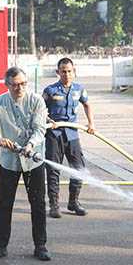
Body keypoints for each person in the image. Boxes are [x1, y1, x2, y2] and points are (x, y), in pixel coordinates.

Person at [0, 66, 50, 261]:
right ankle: (0, 245)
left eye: (22, 84)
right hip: (9, 161)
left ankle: (40, 245)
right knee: (5, 204)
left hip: (33, 160)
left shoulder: (36, 101)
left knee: (37, 204)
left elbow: (40, 129)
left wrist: (30, 145)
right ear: (7, 85)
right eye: (14, 85)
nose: (19, 88)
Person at [42, 57, 96, 218]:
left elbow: (87, 104)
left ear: (74, 71)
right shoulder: (50, 90)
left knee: (79, 168)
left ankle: (74, 202)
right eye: (63, 71)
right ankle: (54, 205)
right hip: (54, 134)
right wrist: (48, 120)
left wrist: (91, 123)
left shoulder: (79, 89)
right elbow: (39, 109)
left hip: (72, 134)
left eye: (69, 71)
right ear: (58, 72)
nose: (66, 74)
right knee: (53, 170)